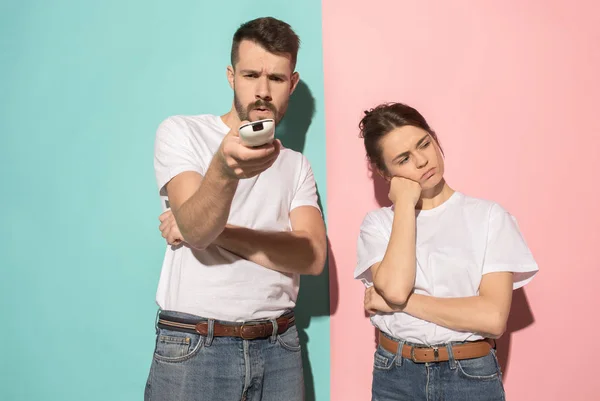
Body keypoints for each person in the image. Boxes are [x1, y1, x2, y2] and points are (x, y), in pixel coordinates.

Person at [144, 17, 327, 401]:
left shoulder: (296, 165)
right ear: (231, 76)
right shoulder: (182, 132)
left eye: (276, 79)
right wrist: (223, 171)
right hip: (196, 343)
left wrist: (216, 234)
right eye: (250, 75)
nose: (262, 91)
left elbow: (310, 256)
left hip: (279, 344)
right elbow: (196, 229)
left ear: (292, 83)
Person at [354, 102, 538, 401]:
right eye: (403, 159)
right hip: (395, 374)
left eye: (424, 144)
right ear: (384, 172)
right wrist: (403, 204)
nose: (422, 161)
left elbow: (492, 318)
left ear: (435, 139)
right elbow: (397, 289)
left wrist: (403, 305)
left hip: (468, 375)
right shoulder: (378, 225)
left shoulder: (489, 217)